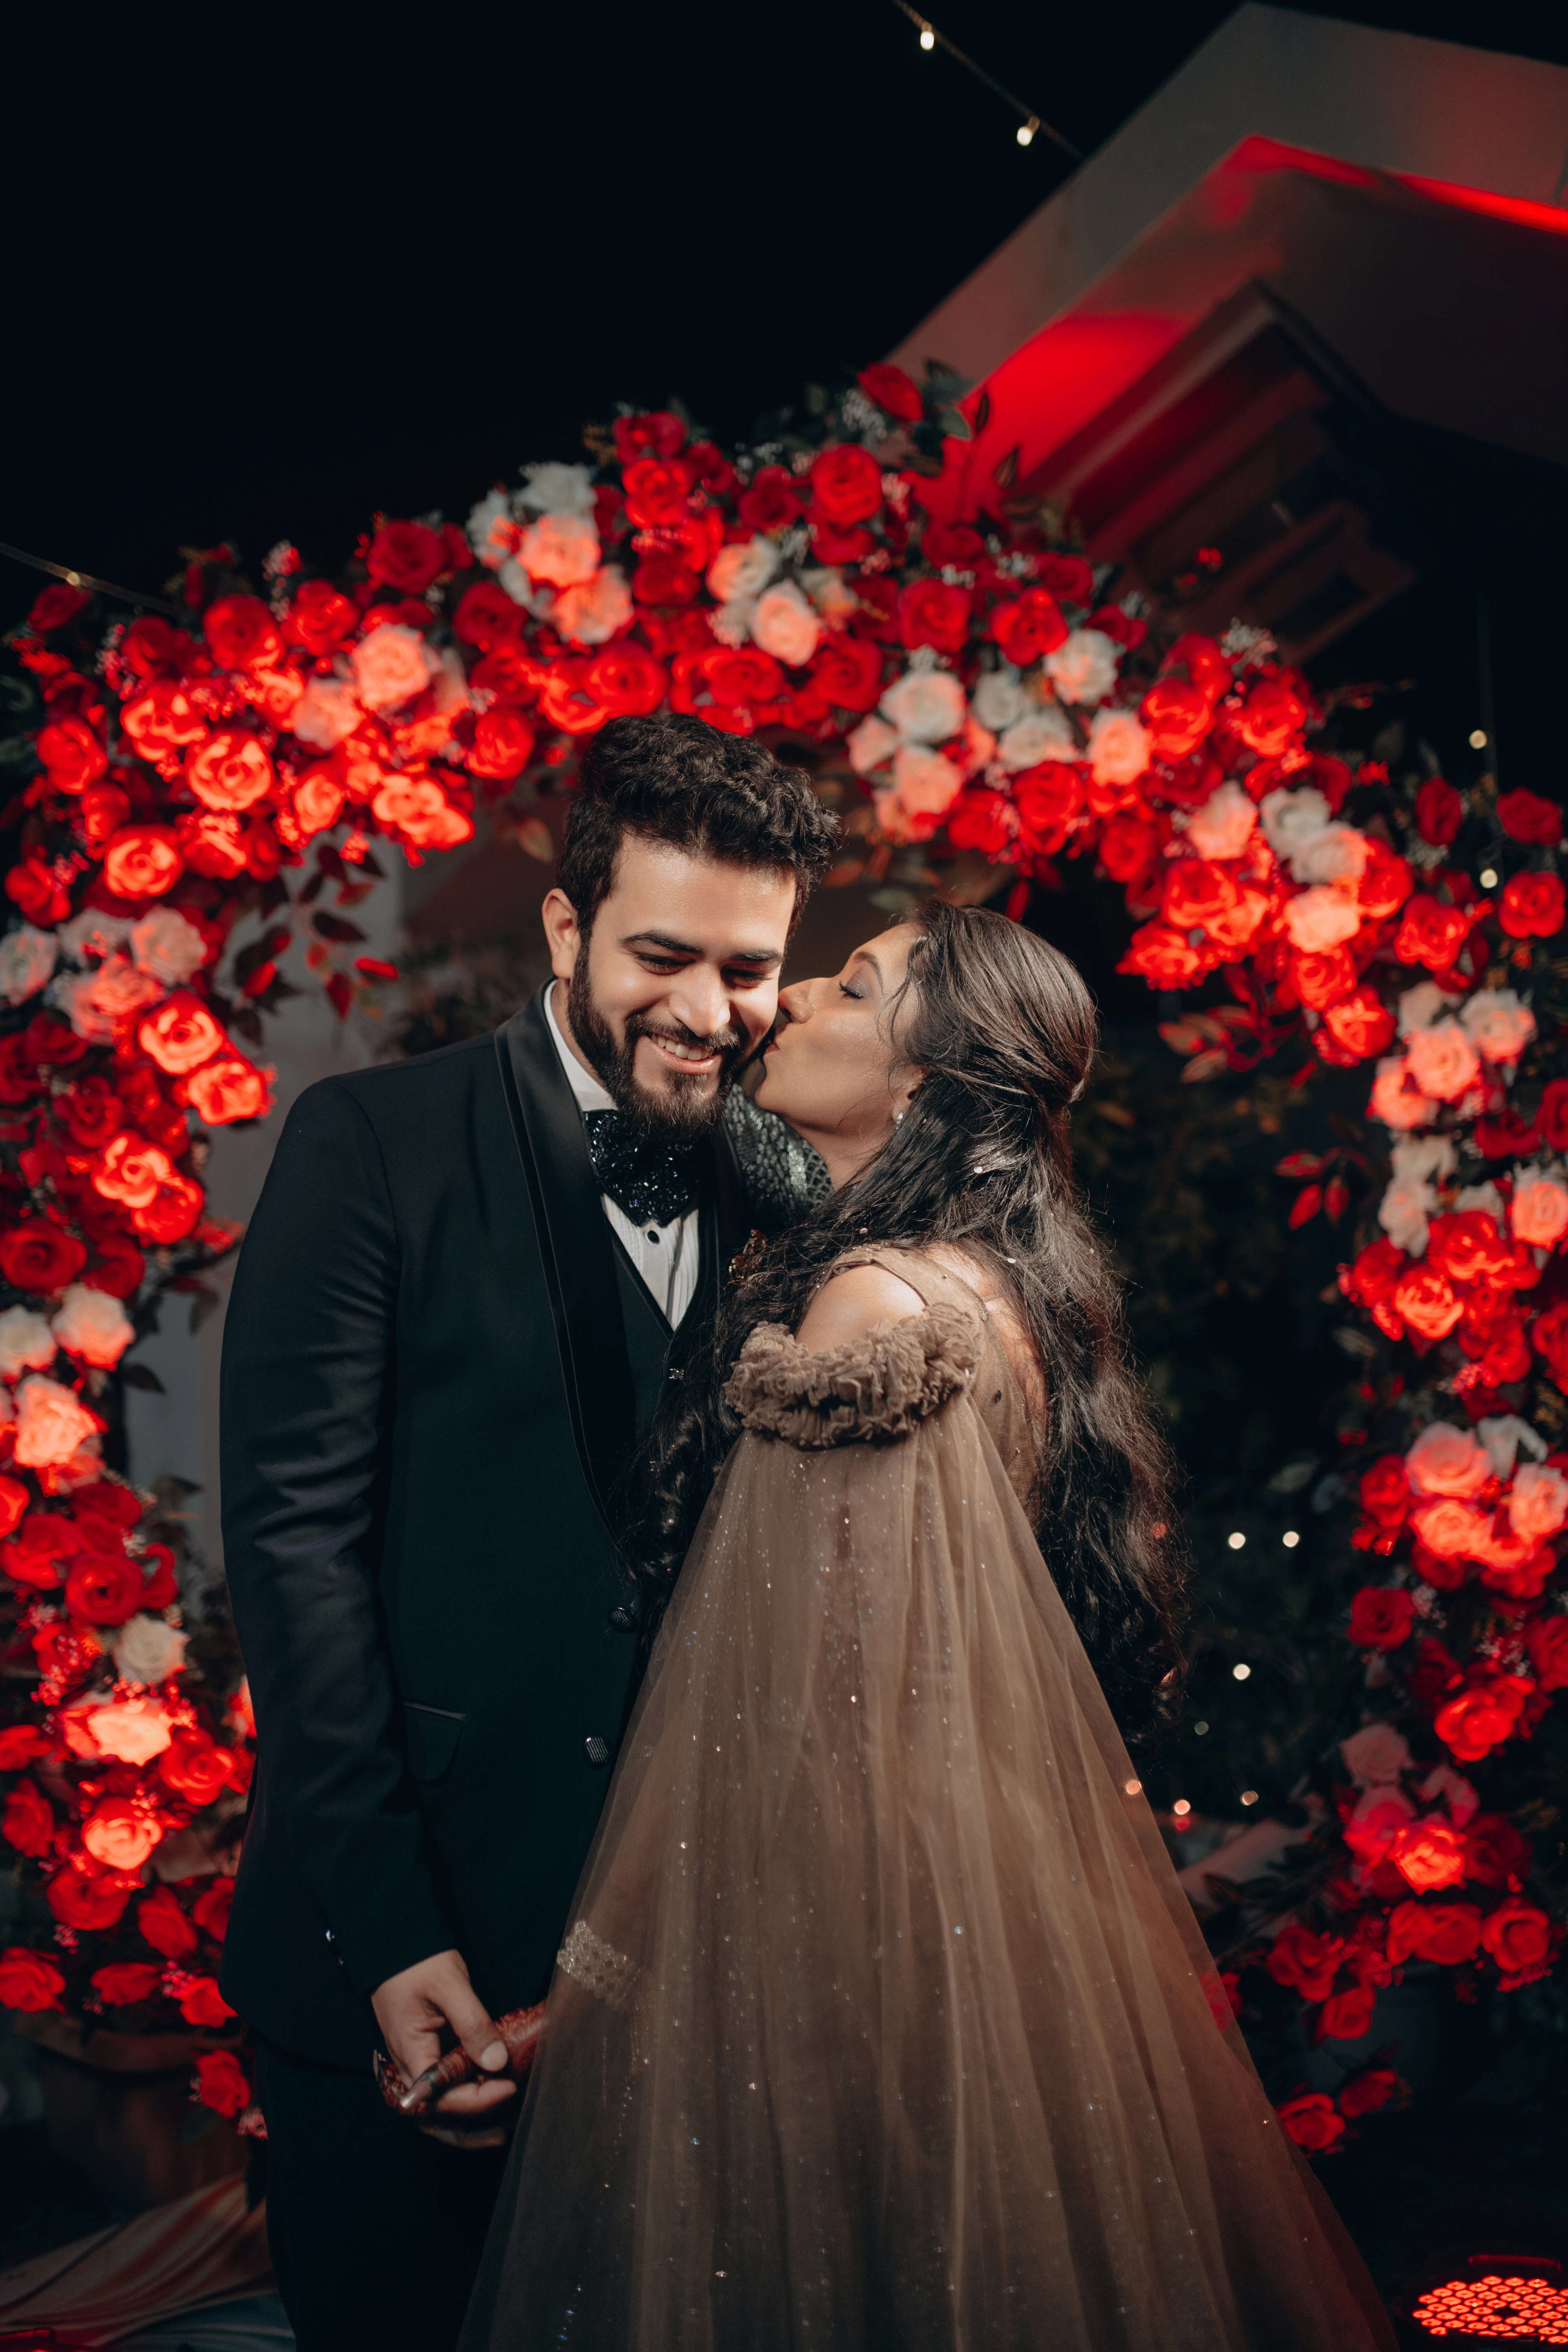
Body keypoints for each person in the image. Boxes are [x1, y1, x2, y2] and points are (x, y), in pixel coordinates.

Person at [460, 901, 1397, 2351]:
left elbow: (774, 1725)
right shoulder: (990, 1293)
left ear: (921, 1084)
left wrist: (577, 2004)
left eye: (855, 984)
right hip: (977, 1910)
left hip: (846, 1945)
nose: (796, 999)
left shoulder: (871, 1311)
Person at [218, 713, 837, 2352]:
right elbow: (294, 1556)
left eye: (754, 967)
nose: (712, 1014)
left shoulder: (793, 1196)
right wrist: (394, 1928)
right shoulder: (372, 1146)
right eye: (662, 954)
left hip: (683, 1975)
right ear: (565, 929)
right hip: (397, 1934)